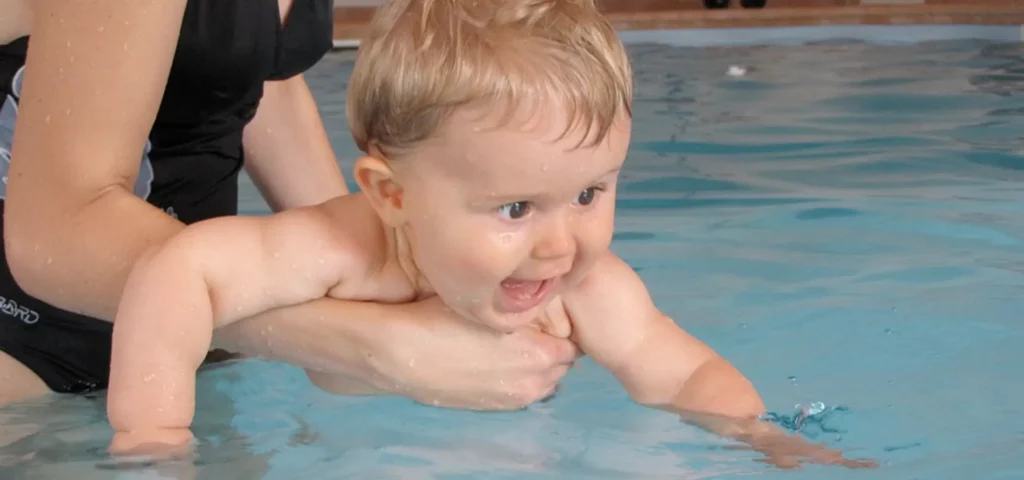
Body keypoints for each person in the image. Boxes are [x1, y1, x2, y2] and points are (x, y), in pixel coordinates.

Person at [105, 0, 877, 470]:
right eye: (515, 209)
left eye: (587, 193)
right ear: (392, 194)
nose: (559, 244)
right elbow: (182, 271)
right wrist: (155, 438)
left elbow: (681, 376)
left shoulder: (582, 289)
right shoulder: (341, 253)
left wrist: (769, 444)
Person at [0, 0, 577, 409]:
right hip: (22, 347)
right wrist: (372, 343)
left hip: (195, 342)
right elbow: (54, 232)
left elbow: (248, 69)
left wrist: (379, 269)